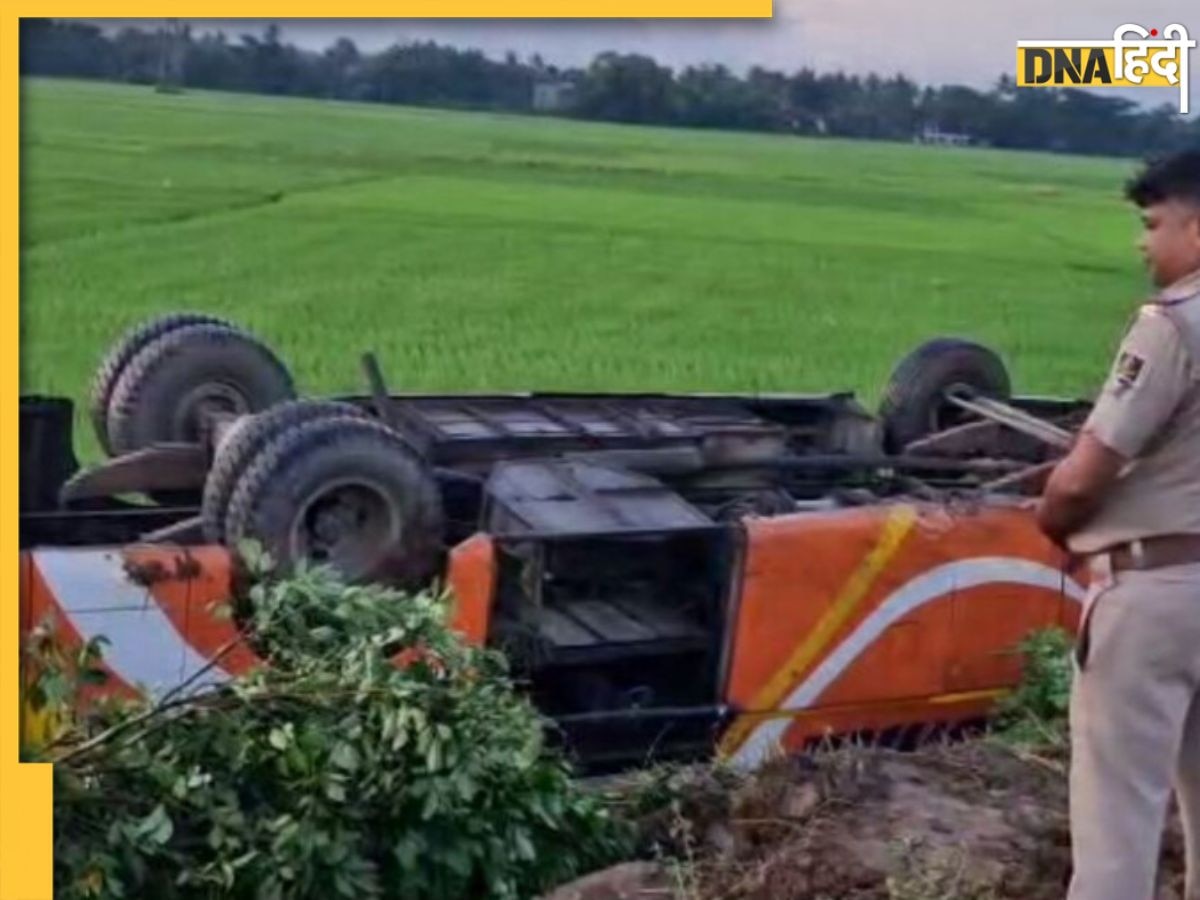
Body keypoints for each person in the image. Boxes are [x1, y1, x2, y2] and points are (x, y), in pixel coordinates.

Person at [1036, 148, 1200, 900]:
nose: (1144, 243)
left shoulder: (1172, 326)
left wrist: (1058, 524)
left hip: (1156, 592)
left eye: (1153, 223)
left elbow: (1085, 473)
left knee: (1117, 825)